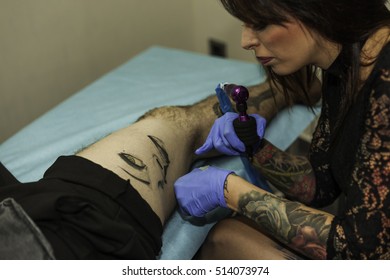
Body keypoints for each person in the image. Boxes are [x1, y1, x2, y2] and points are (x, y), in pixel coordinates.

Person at [174, 0, 390, 259]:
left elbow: (363, 250)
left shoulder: (385, 81)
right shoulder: (346, 65)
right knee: (224, 236)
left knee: (227, 242)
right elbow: (322, 184)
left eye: (261, 24)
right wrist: (254, 145)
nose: (246, 41)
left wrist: (229, 191)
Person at [0, 74, 289, 259]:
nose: (247, 39)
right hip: (69, 238)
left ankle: (289, 88)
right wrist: (233, 188)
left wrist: (252, 163)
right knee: (182, 125)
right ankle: (288, 89)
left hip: (26, 218)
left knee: (181, 125)